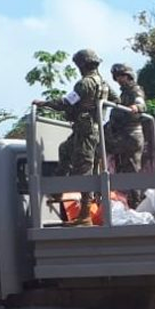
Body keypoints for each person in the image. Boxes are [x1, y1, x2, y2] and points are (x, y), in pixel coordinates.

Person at [33, 49, 111, 226]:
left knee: (84, 170)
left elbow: (66, 102)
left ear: (82, 65)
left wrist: (45, 103)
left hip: (87, 132)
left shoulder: (85, 83)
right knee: (65, 149)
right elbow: (115, 100)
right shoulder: (104, 84)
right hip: (90, 129)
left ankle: (85, 215)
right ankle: (58, 190)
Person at [107, 62, 147, 207]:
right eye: (116, 76)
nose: (118, 79)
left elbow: (141, 103)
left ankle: (137, 202)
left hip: (131, 135)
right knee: (127, 169)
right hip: (123, 134)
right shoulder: (123, 94)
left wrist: (136, 106)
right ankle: (132, 201)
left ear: (128, 76)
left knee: (132, 169)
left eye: (121, 76)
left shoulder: (135, 90)